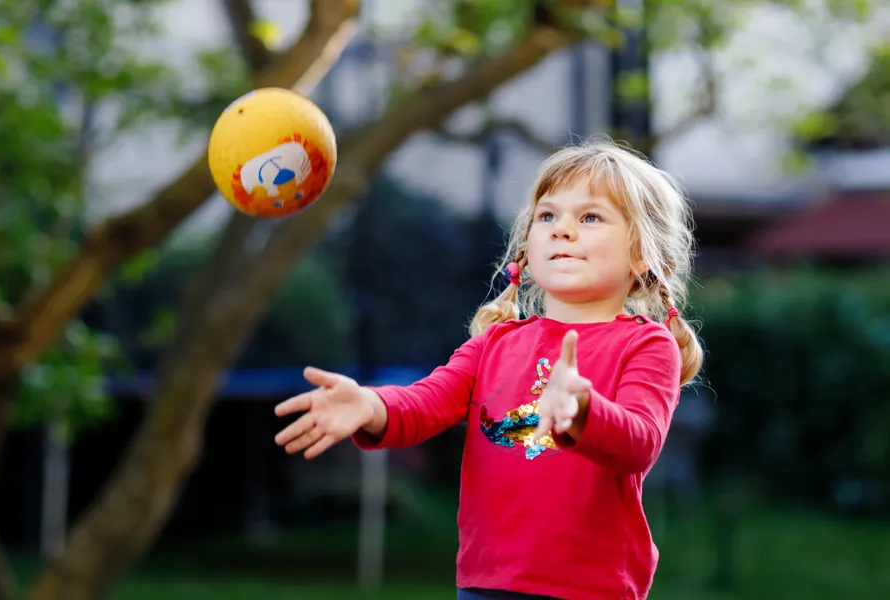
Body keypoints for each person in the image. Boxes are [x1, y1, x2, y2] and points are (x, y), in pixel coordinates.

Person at [274, 138, 704, 600]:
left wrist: (583, 413)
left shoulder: (647, 345)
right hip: (486, 583)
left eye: (591, 217)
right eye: (547, 216)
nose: (562, 230)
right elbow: (426, 402)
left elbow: (639, 443)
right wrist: (371, 404)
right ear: (527, 246)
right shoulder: (494, 344)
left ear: (643, 254)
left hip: (589, 588)